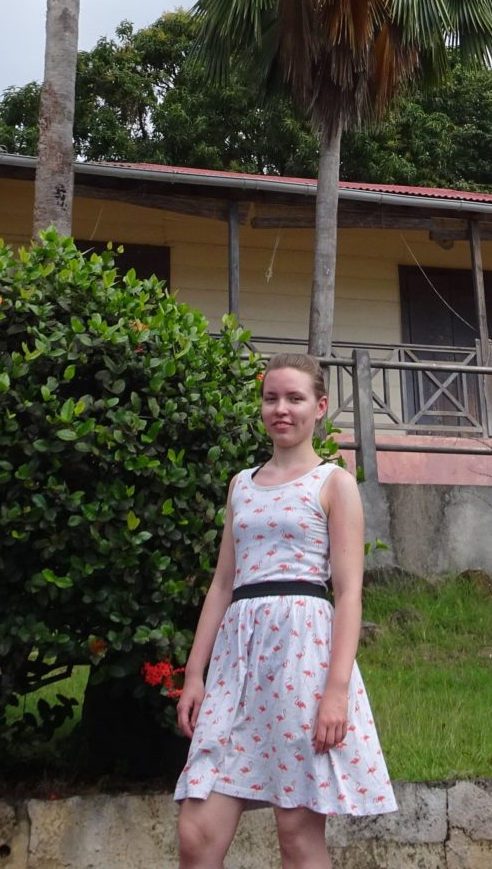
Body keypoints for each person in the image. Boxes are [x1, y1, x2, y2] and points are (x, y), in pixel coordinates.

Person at [173, 352, 395, 868]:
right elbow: (223, 584)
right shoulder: (241, 485)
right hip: (236, 665)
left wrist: (335, 691)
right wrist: (194, 674)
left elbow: (349, 593)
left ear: (319, 408)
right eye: (271, 397)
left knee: (296, 836)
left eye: (295, 398)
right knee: (196, 832)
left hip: (303, 662)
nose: (282, 409)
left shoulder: (334, 484)